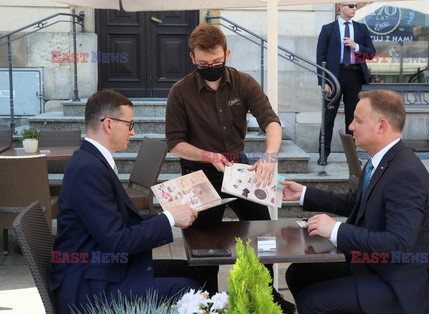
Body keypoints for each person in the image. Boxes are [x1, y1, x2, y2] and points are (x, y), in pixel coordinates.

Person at [165, 24, 295, 313]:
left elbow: (271, 122)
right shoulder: (180, 92)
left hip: (240, 169)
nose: (210, 68)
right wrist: (208, 155)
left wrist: (270, 157)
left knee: (263, 235)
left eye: (216, 62)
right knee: (203, 245)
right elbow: (175, 143)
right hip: (198, 173)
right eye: (203, 64)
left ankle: (266, 294)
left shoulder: (244, 83)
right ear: (192, 59)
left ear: (227, 53)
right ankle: (207, 301)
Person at [282, 89, 429, 313]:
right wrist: (305, 194)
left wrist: (336, 229)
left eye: (358, 120)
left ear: (381, 126)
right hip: (374, 265)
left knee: (311, 301)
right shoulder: (380, 160)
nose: (350, 126)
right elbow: (355, 203)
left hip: (399, 286)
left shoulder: (406, 174)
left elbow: (399, 244)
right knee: (298, 274)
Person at [48, 90, 200, 313]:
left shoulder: (92, 160)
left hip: (99, 268)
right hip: (89, 288)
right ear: (108, 125)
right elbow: (117, 242)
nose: (134, 131)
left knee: (191, 270)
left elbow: (117, 224)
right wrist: (169, 219)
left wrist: (170, 217)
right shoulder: (88, 169)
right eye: (130, 124)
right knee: (188, 289)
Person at [316, 3, 376, 165]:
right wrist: (324, 82)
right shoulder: (328, 29)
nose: (354, 8)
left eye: (355, 6)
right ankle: (323, 155)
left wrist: (356, 46)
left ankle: (352, 157)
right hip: (334, 78)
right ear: (340, 7)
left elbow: (371, 53)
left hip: (354, 76)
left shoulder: (361, 28)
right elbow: (320, 57)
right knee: (328, 117)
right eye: (350, 5)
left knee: (354, 118)